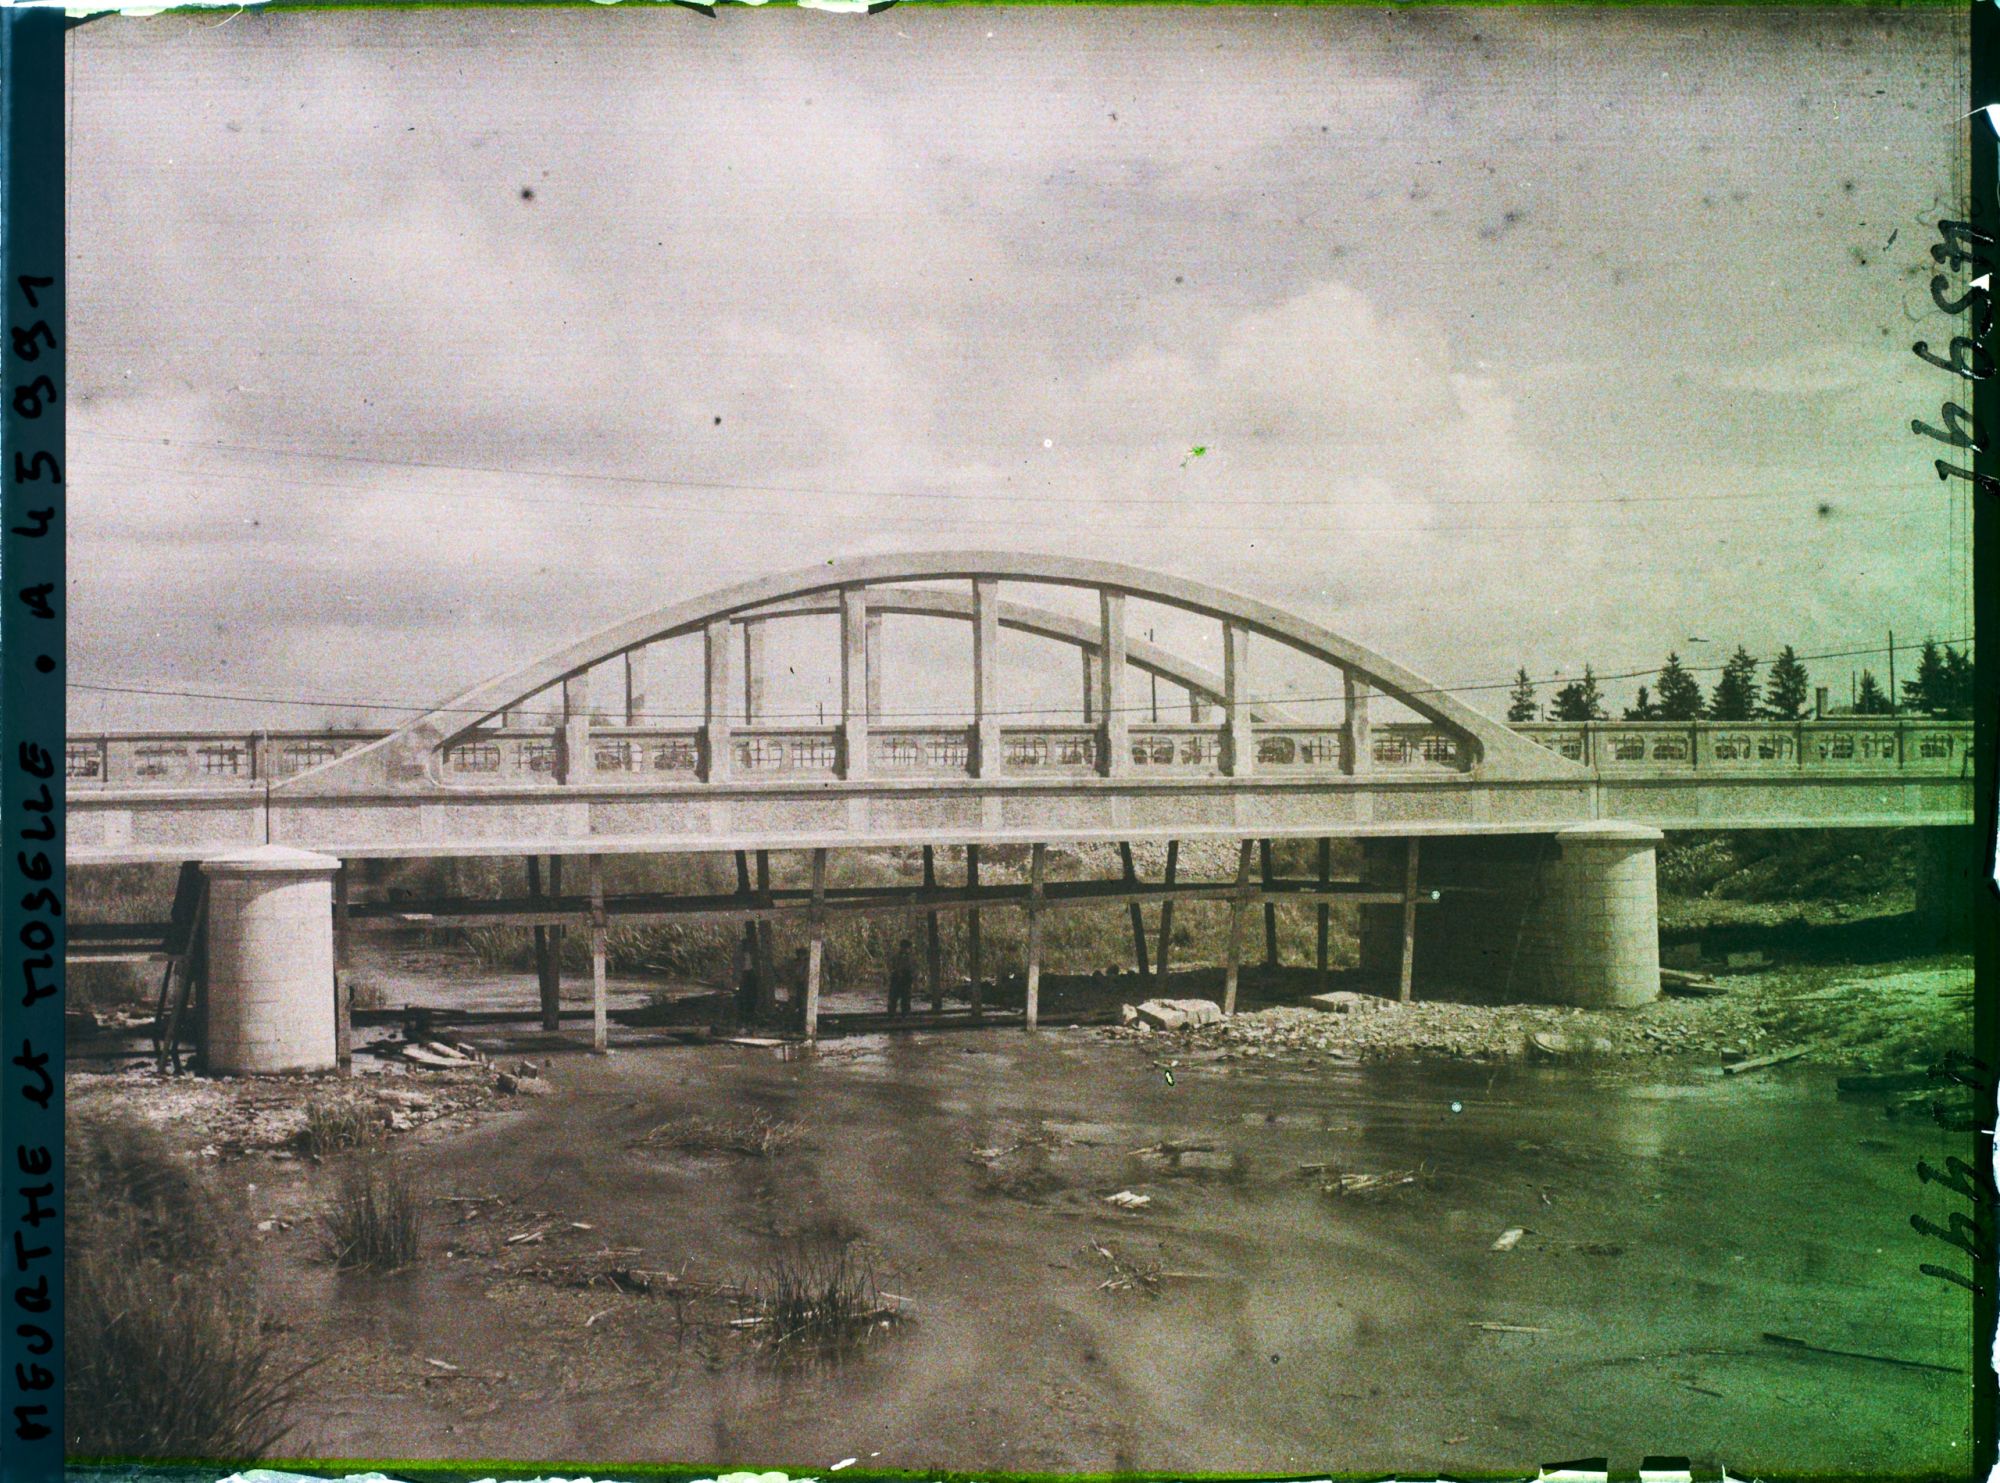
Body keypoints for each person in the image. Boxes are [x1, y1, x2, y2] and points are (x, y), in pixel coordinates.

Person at [888, 936, 916, 1016]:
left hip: (905, 979)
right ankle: (892, 1016)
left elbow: (911, 969)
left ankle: (904, 1016)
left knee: (905, 1000)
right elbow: (893, 967)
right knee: (894, 999)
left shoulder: (908, 957)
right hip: (897, 979)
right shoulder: (898, 957)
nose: (907, 950)